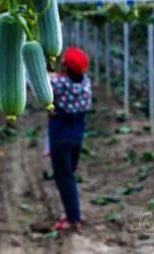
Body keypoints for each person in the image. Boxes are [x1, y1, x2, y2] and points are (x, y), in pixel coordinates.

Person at [47, 47, 92, 232]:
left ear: (65, 66)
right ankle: (71, 212)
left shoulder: (59, 84)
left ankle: (73, 218)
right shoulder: (85, 83)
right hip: (77, 136)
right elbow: (57, 77)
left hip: (60, 136)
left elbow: (41, 82)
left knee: (64, 178)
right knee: (69, 174)